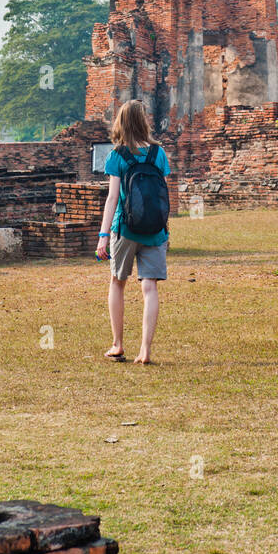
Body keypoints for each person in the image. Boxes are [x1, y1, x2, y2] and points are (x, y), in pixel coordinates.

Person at [96, 99, 170, 364]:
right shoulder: (158, 153)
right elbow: (162, 195)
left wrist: (104, 235)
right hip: (155, 230)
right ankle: (145, 351)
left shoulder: (118, 155)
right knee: (149, 288)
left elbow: (112, 198)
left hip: (125, 229)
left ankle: (118, 344)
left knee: (118, 282)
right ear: (143, 121)